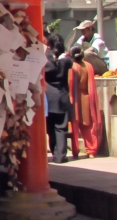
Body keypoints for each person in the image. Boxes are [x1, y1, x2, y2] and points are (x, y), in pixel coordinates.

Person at [68, 45, 103, 158]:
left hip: (75, 98)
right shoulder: (88, 66)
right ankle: (91, 150)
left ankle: (76, 150)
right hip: (87, 97)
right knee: (88, 126)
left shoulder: (72, 67)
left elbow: (70, 84)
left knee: (75, 126)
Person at [44, 33, 72, 164]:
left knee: (50, 128)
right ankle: (60, 155)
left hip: (49, 97)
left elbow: (50, 68)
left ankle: (56, 152)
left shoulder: (47, 60)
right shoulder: (66, 60)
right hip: (62, 96)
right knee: (61, 127)